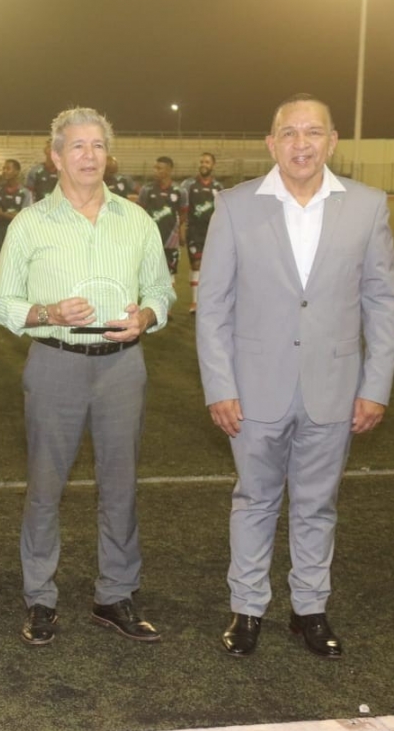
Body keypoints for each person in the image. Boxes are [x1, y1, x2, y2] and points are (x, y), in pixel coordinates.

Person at [196, 94, 394, 660]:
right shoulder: (234, 205)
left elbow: (382, 301)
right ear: (271, 142)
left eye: (313, 133)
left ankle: (309, 609)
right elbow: (213, 306)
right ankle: (248, 609)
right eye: (289, 133)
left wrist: (375, 385)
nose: (301, 144)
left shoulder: (367, 205)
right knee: (254, 500)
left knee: (317, 505)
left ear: (332, 142)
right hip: (254, 388)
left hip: (334, 388)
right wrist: (220, 386)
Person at [0, 107, 174, 648]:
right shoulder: (30, 223)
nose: (88, 156)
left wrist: (144, 316)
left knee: (121, 486)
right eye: (77, 146)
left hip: (122, 366)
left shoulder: (136, 220)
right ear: (55, 156)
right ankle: (40, 597)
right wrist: (46, 313)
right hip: (55, 363)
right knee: (46, 487)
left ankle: (115, 594)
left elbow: (161, 291)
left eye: (96, 146)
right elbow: (2, 304)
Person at [179, 152, 223, 313]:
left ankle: (210, 301)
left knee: (212, 267)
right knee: (196, 265)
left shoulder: (218, 187)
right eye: (202, 161)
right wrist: (181, 229)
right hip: (195, 232)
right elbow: (182, 209)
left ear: (213, 165)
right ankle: (195, 303)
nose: (203, 164)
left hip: (213, 233)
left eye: (207, 162)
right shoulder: (188, 185)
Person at [136, 156, 187, 280]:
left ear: (169, 170)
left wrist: (179, 232)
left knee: (170, 275)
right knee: (150, 275)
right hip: (151, 240)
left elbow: (183, 213)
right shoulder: (146, 190)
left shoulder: (180, 191)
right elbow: (139, 212)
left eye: (159, 168)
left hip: (171, 241)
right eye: (155, 167)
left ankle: (166, 300)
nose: (155, 171)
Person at [0, 158, 32, 268]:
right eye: (3, 168)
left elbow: (24, 217)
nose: (4, 171)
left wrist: (3, 214)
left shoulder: (25, 193)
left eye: (8, 168)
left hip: (17, 234)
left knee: (16, 267)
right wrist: (13, 215)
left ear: (16, 172)